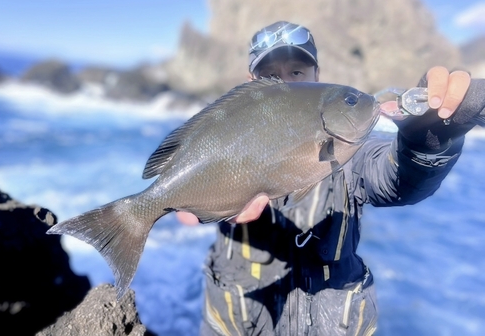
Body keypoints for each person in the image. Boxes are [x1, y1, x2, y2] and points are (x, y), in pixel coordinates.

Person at [177, 21, 482, 335]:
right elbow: (186, 211)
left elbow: (399, 181)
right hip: (237, 320)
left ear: (316, 76)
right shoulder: (227, 135)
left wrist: (427, 142)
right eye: (270, 75)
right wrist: (196, 205)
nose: (285, 83)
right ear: (251, 82)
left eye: (297, 72)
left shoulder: (348, 147)